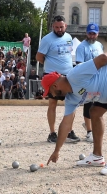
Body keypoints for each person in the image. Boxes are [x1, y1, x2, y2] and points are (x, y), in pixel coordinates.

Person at [45, 52, 107, 176]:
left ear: (55, 85)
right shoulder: (71, 98)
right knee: (94, 112)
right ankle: (97, 156)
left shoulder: (75, 75)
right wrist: (56, 151)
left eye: (50, 92)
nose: (52, 95)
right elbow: (65, 124)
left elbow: (103, 58)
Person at [36, 15, 80, 143]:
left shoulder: (69, 37)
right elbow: (39, 57)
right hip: (53, 76)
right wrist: (51, 66)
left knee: (72, 103)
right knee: (53, 103)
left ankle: (69, 131)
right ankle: (52, 133)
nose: (59, 29)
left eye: (61, 27)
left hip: (68, 75)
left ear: (65, 26)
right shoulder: (47, 39)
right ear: (52, 27)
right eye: (56, 27)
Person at [75, 23, 104, 143]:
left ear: (97, 34)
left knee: (98, 104)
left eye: (94, 33)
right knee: (88, 104)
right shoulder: (82, 47)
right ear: (86, 33)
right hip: (88, 79)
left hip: (99, 79)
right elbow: (79, 64)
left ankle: (90, 126)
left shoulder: (99, 45)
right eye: (90, 33)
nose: (92, 36)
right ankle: (89, 132)